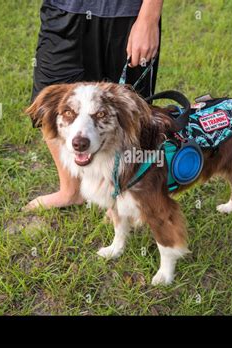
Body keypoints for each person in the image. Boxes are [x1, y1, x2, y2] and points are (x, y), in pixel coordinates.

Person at [24, 0, 163, 211]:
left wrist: (148, 18)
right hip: (62, 8)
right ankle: (71, 191)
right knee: (50, 102)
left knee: (127, 109)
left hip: (125, 11)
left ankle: (120, 192)